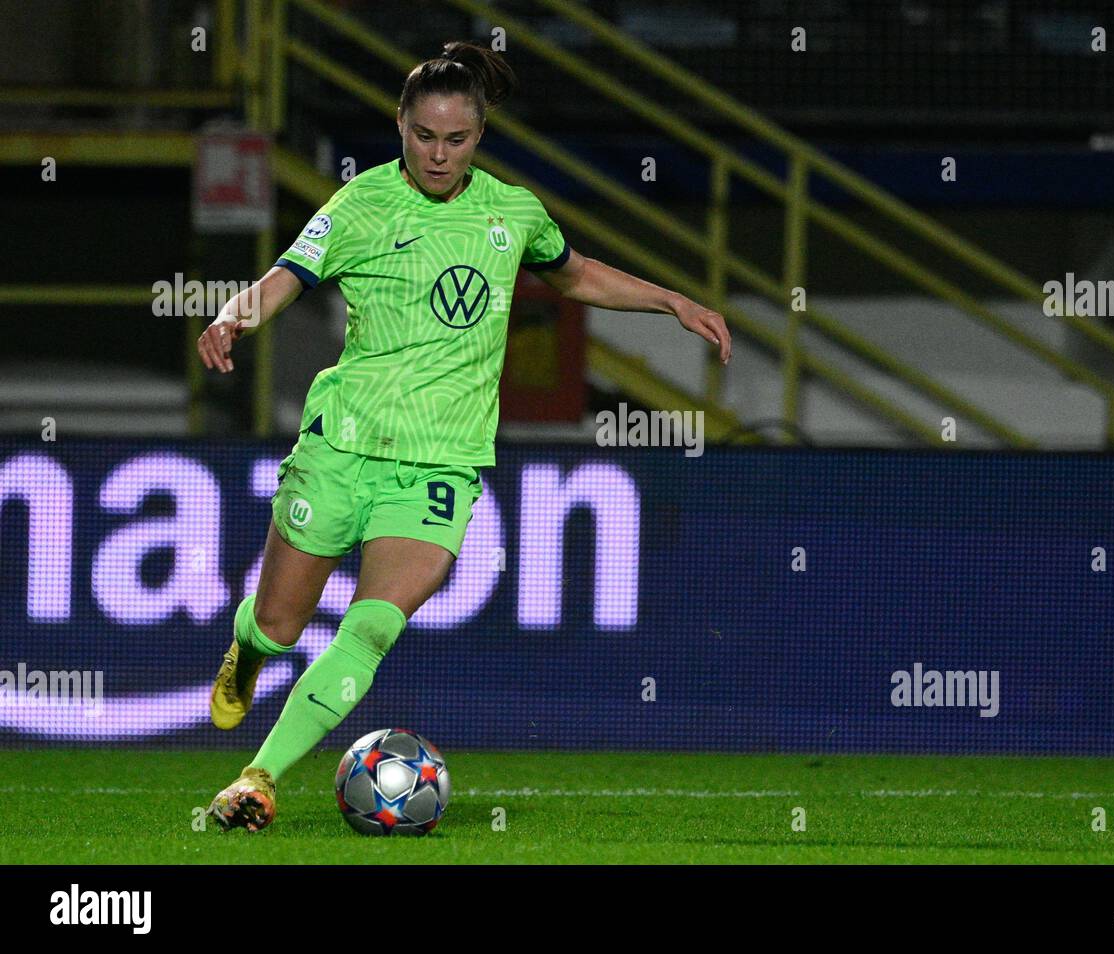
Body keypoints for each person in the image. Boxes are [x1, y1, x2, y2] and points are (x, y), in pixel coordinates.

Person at [195, 41, 731, 831]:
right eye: (423, 136)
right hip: (341, 447)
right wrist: (232, 316)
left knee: (373, 625)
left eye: (456, 140)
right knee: (279, 623)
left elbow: (574, 272)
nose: (438, 154)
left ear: (479, 138)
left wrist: (671, 301)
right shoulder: (359, 205)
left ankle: (257, 780)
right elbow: (286, 278)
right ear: (400, 126)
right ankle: (247, 651)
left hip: (441, 463)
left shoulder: (513, 213)